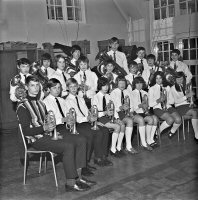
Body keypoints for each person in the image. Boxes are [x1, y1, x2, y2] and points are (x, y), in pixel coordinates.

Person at [16, 76, 96, 192]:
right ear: (27, 87)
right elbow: (26, 131)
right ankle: (70, 183)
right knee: (68, 146)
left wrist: (53, 131)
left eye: (37, 85)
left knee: (81, 140)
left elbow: (48, 123)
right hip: (37, 140)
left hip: (48, 135)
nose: (36, 88)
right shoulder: (22, 106)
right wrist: (44, 128)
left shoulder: (41, 104)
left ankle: (79, 178)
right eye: (32, 85)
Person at [43, 78, 96, 176]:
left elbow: (69, 114)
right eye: (54, 88)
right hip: (56, 128)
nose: (57, 90)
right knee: (81, 139)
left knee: (84, 138)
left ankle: (82, 166)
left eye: (59, 88)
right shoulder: (46, 102)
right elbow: (49, 120)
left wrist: (71, 119)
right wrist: (63, 120)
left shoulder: (61, 100)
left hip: (67, 127)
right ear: (49, 89)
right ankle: (80, 169)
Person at [65, 78, 113, 166]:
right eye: (71, 87)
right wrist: (87, 119)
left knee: (105, 130)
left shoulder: (80, 99)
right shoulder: (67, 101)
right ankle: (86, 163)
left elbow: (87, 112)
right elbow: (75, 118)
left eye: (75, 86)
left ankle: (102, 156)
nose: (73, 89)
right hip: (78, 124)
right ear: (67, 88)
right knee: (96, 133)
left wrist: (95, 121)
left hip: (87, 121)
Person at [92, 77, 123, 158]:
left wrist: (117, 118)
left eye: (107, 86)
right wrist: (105, 112)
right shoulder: (95, 97)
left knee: (122, 125)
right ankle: (113, 149)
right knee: (117, 127)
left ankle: (118, 148)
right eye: (103, 86)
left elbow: (114, 108)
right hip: (100, 118)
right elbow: (94, 113)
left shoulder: (108, 96)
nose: (106, 88)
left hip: (109, 117)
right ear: (99, 86)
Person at [110, 76, 139, 154]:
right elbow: (113, 107)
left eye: (123, 83)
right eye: (120, 83)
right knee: (129, 121)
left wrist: (131, 111)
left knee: (136, 119)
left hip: (128, 112)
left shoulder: (128, 91)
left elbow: (131, 103)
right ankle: (129, 146)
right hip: (118, 113)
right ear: (117, 84)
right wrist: (121, 108)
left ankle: (127, 146)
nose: (122, 85)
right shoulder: (114, 92)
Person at [149, 71, 181, 138]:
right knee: (170, 120)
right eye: (157, 78)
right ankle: (158, 132)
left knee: (178, 119)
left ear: (163, 79)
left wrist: (171, 98)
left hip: (168, 106)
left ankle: (172, 132)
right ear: (154, 79)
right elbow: (150, 104)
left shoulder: (167, 87)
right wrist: (158, 100)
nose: (158, 80)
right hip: (157, 108)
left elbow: (171, 101)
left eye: (160, 78)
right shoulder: (152, 89)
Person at [168, 71, 198, 142]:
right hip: (179, 107)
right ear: (175, 79)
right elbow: (176, 101)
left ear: (183, 79)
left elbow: (188, 98)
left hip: (186, 105)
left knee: (195, 112)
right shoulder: (173, 88)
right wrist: (187, 96)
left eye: (181, 79)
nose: (179, 81)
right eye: (178, 79)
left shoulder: (184, 86)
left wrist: (191, 101)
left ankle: (196, 135)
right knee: (194, 112)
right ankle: (197, 136)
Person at [130, 77, 159, 147]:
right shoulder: (131, 93)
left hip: (144, 112)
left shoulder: (145, 92)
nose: (139, 85)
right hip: (136, 112)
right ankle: (145, 141)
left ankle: (150, 139)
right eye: (137, 83)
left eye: (141, 83)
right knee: (150, 119)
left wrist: (146, 106)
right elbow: (132, 108)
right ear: (134, 84)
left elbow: (148, 106)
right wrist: (140, 105)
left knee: (155, 118)